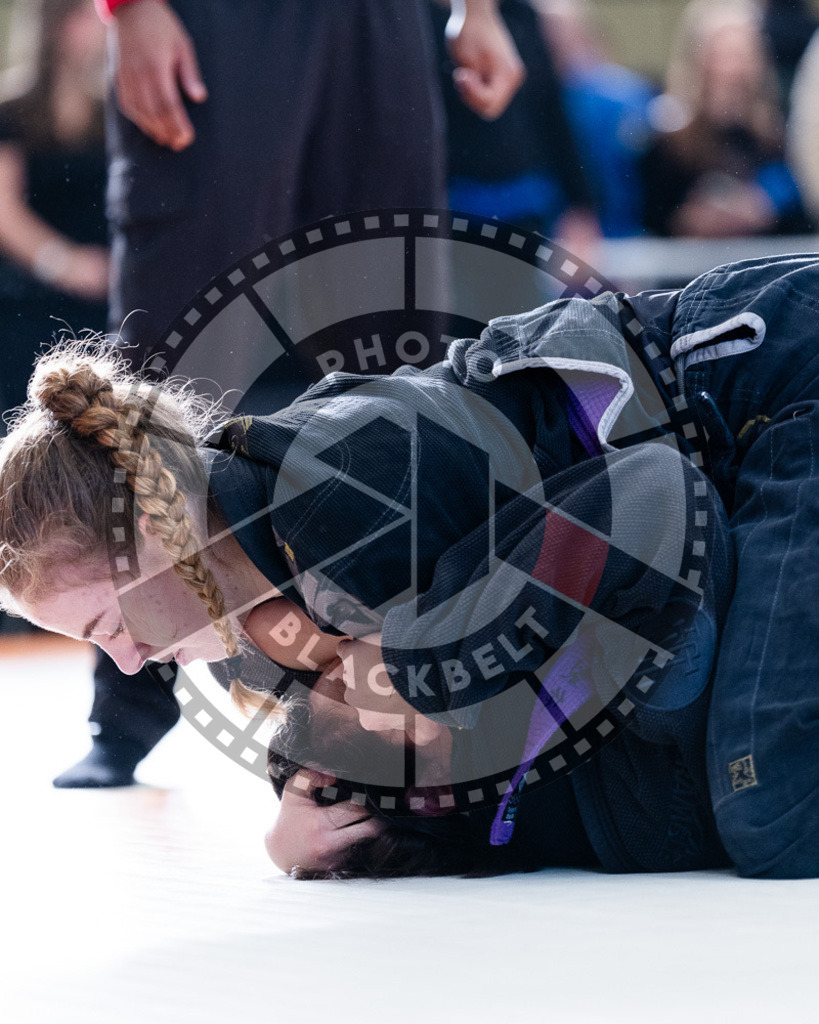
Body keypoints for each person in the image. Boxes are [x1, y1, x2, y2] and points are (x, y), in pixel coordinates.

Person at [3, 253, 819, 880]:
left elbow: (646, 501)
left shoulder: (340, 488)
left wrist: (409, 671)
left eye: (111, 624)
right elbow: (368, 755)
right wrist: (299, 824)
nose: (126, 660)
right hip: (696, 502)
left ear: (157, 529)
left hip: (763, 385)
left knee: (770, 804)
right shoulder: (230, 623)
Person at [54, 0, 526, 788]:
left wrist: (477, 8)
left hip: (384, 21)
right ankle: (129, 702)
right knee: (174, 357)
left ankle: (439, 696)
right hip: (219, 23)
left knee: (398, 364)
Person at [0, 0, 109, 425]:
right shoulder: (11, 112)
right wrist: (64, 264)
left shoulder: (111, 112)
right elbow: (4, 210)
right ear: (60, 23)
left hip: (100, 308)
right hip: (28, 305)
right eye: (89, 12)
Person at [641, 0, 810, 239]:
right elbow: (651, 215)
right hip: (691, 269)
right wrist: (688, 218)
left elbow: (801, 211)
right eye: (721, 55)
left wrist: (763, 206)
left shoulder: (776, 135)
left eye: (739, 55)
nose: (731, 68)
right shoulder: (668, 137)